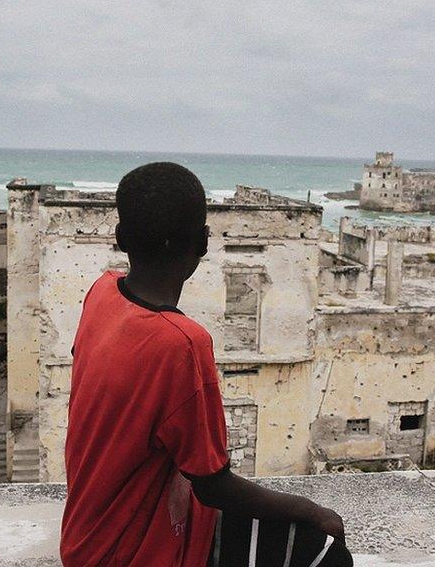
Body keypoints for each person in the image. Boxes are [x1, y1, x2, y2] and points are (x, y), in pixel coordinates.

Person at [60, 162, 353, 567]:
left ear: (120, 236)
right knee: (323, 551)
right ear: (202, 242)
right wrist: (310, 510)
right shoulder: (182, 342)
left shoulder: (102, 292)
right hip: (131, 550)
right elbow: (213, 485)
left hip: (85, 537)